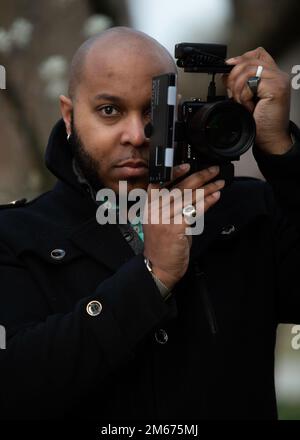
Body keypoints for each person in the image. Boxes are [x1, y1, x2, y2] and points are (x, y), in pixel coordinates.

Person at [0, 26, 299, 421]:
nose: (137, 135)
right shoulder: (15, 236)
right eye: (110, 110)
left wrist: (283, 154)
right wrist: (151, 277)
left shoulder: (244, 211)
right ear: (69, 116)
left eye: (154, 112)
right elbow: (15, 386)